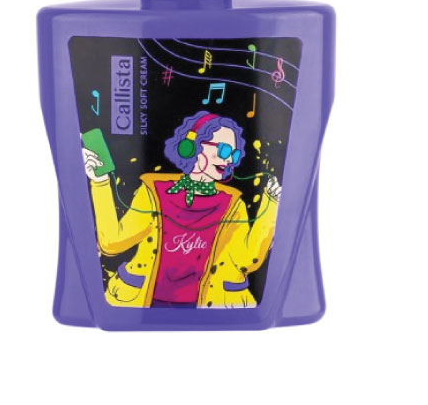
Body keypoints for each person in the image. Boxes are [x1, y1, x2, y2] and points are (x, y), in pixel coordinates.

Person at [82, 111, 281, 308]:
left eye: (234, 154)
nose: (229, 160)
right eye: (224, 150)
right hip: (143, 303)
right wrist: (100, 182)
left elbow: (247, 260)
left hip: (207, 308)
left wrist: (271, 204)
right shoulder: (153, 192)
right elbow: (112, 243)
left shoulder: (233, 204)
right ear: (192, 146)